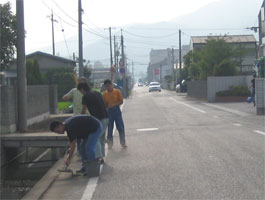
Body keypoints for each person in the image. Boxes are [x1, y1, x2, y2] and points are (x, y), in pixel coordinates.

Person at [77, 82, 109, 164]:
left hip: (98, 119)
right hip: (106, 117)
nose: (81, 93)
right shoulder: (97, 93)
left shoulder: (85, 96)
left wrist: (80, 119)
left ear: (82, 90)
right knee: (101, 138)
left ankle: (99, 157)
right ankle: (102, 156)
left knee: (96, 138)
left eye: (80, 91)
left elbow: (83, 110)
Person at [62, 77, 89, 155]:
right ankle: (85, 151)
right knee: (86, 134)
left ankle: (80, 152)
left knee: (78, 135)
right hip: (87, 116)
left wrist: (72, 99)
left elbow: (64, 98)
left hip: (76, 117)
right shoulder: (89, 91)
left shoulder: (74, 91)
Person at [103, 79, 127, 149]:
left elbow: (121, 101)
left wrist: (114, 104)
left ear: (111, 85)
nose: (108, 87)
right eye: (106, 86)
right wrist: (106, 107)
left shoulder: (117, 92)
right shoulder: (105, 94)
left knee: (120, 127)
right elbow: (104, 104)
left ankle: (123, 143)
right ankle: (110, 144)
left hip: (116, 111)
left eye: (109, 85)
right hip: (109, 112)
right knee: (110, 128)